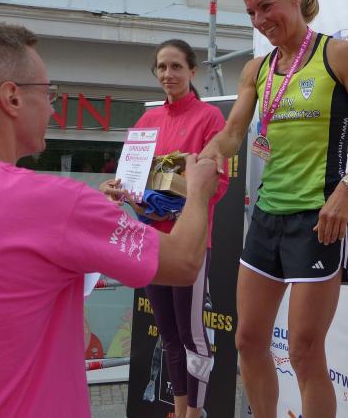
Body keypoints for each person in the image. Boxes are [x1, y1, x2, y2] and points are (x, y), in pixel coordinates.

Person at [0, 21, 218, 417]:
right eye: (47, 92)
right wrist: (198, 190)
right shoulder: (58, 205)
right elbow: (184, 262)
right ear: (12, 98)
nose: (53, 107)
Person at [199, 0, 348, 418]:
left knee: (305, 352)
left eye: (266, 6)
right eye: (251, 12)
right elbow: (232, 133)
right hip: (268, 217)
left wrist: (345, 192)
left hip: (319, 219)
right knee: (248, 340)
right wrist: (204, 157)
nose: (260, 19)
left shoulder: (338, 55)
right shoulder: (256, 69)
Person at [101, 39, 229, 418]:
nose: (168, 74)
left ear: (193, 71)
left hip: (188, 241)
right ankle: (180, 410)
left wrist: (172, 202)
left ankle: (196, 412)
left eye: (176, 66)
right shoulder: (147, 123)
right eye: (161, 67)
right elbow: (133, 181)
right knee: (169, 335)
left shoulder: (210, 119)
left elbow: (218, 186)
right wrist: (124, 193)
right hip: (151, 240)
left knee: (193, 336)